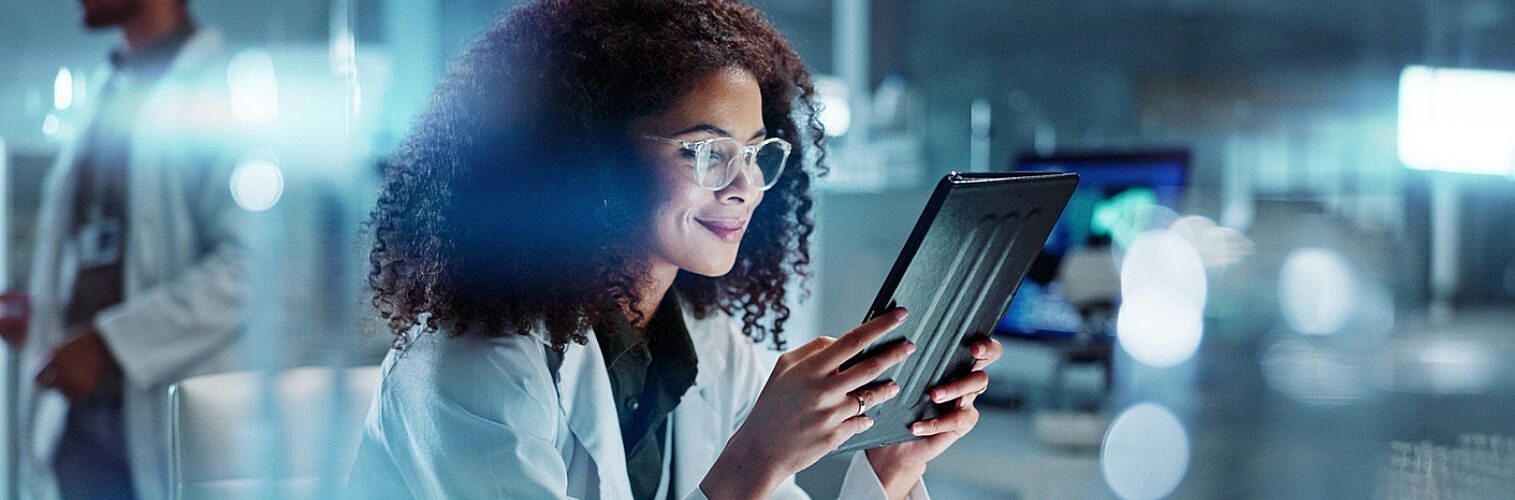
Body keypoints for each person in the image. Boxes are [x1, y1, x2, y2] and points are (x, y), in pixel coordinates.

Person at [348, 1, 1004, 498]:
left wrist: (889, 468)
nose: (745, 185)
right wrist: (752, 462)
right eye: (705, 151)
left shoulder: (709, 347)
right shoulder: (467, 368)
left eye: (756, 153)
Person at [8, 0, 249, 497]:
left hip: (163, 420)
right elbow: (108, 253)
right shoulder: (111, 89)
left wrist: (109, 345)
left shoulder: (221, 93)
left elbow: (252, 270)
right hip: (80, 429)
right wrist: (45, 314)